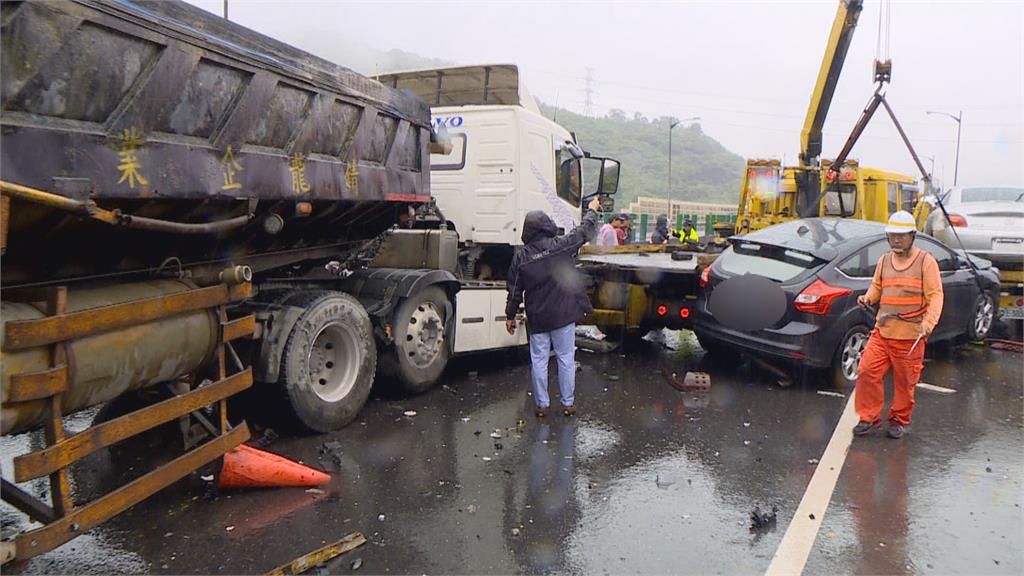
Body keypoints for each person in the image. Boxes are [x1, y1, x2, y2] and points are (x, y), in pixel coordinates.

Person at [506, 196, 602, 417]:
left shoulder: (521, 257)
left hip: (538, 318)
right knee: (565, 359)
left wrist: (510, 316)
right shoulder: (559, 246)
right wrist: (591, 210)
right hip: (563, 315)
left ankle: (542, 405)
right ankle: (568, 404)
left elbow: (514, 289)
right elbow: (583, 232)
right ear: (548, 226)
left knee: (538, 360)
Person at [853, 210, 944, 439]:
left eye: (902, 235)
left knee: (905, 383)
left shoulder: (926, 261)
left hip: (910, 337)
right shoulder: (884, 260)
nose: (896, 239)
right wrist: (868, 297)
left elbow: (936, 295)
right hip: (883, 332)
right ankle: (869, 417)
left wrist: (929, 323)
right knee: (866, 371)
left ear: (912, 236)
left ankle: (899, 421)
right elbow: (877, 287)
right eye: (893, 235)